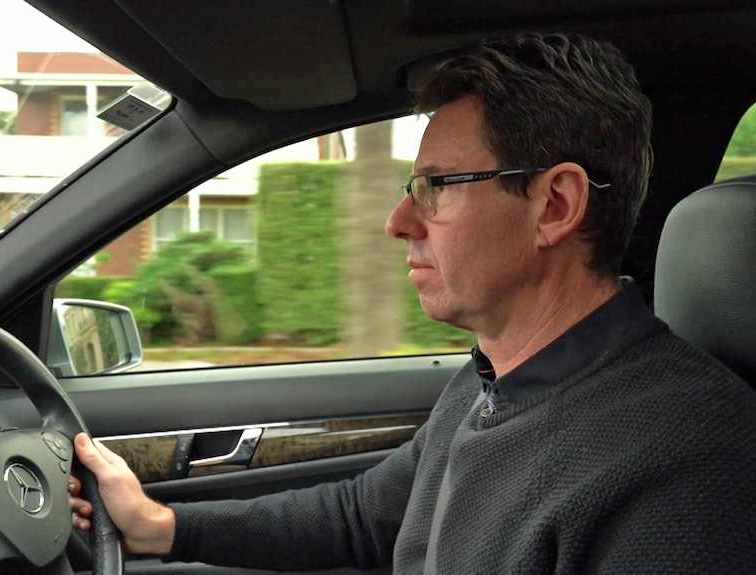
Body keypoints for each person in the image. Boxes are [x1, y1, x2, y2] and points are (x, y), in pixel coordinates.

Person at [69, 33, 756, 573]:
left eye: (438, 186)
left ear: (555, 205)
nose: (399, 219)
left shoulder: (691, 464)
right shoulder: (491, 378)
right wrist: (163, 527)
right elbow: (362, 515)